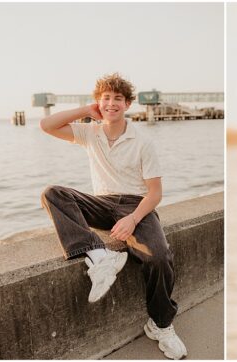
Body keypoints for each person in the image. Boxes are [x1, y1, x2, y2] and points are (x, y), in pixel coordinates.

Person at [39, 73, 186, 360]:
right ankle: (98, 253)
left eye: (118, 98)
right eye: (106, 98)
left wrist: (132, 219)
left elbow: (155, 193)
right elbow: (46, 125)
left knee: (158, 257)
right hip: (101, 204)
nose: (111, 103)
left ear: (128, 104)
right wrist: (86, 111)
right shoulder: (90, 132)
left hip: (136, 205)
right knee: (52, 193)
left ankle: (161, 324)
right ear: (99, 102)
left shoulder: (143, 142)